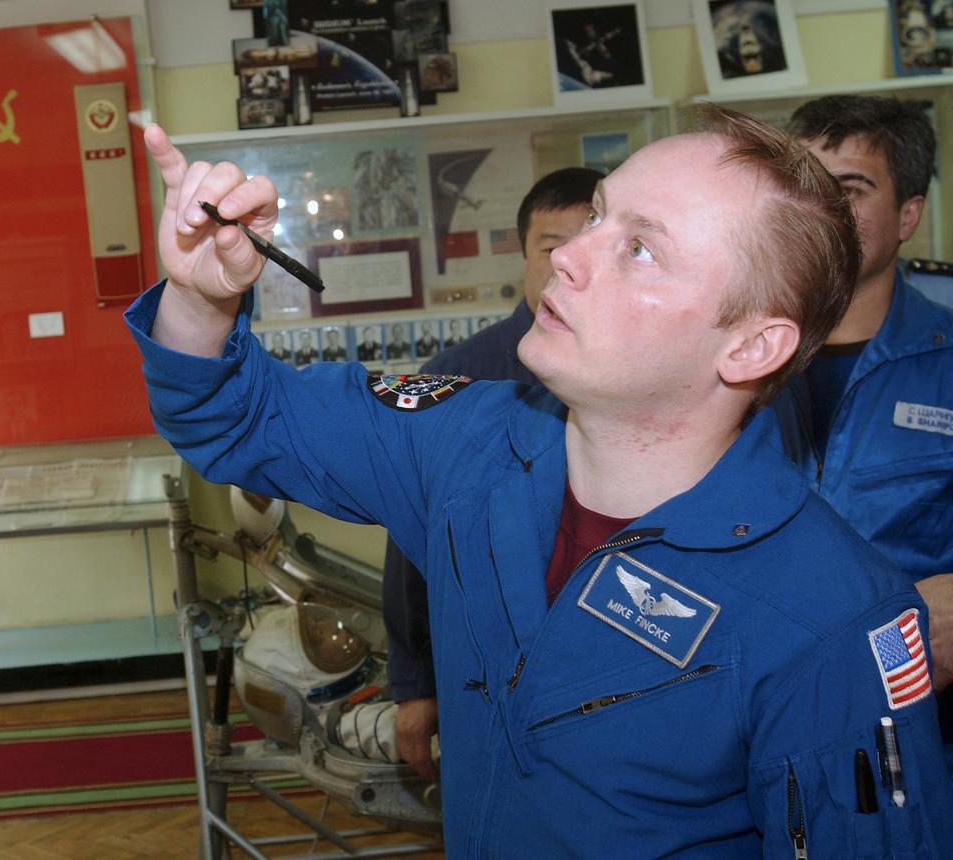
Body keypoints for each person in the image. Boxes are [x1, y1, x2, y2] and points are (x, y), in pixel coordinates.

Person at [130, 112, 953, 855]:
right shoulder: (466, 443)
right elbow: (231, 417)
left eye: (639, 248)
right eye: (599, 214)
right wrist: (203, 297)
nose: (568, 255)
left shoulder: (835, 621)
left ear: (749, 347)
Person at [383, 167, 602, 778]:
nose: (567, 262)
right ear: (524, 253)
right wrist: (414, 682)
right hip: (484, 673)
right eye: (550, 246)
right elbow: (411, 540)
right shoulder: (457, 377)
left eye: (590, 241)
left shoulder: (646, 372)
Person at [771, 96, 953, 693]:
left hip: (921, 712)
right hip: (761, 701)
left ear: (908, 216)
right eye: (806, 184)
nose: (823, 207)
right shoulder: (729, 357)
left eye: (850, 188)